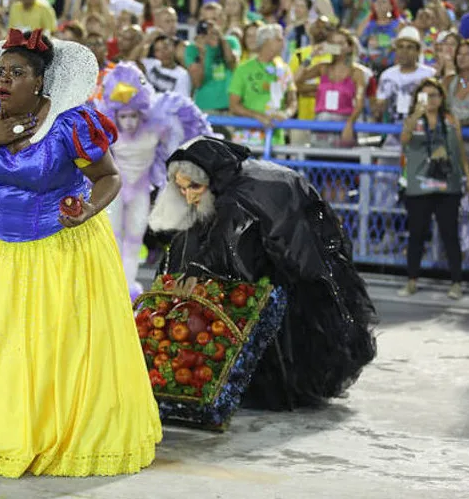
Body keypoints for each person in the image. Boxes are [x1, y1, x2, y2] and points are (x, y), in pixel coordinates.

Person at [0, 28, 162, 477]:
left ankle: (55, 429)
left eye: (17, 72)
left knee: (56, 344)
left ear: (40, 82)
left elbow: (108, 177)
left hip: (61, 248)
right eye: (1, 72)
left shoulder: (71, 124)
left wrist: (88, 209)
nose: (4, 80)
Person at [148, 136, 377, 410]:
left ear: (214, 179)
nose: (188, 195)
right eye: (181, 188)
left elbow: (227, 234)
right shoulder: (216, 195)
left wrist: (201, 266)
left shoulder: (239, 198)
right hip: (252, 253)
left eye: (194, 186)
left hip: (277, 258)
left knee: (269, 315)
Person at [95, 61, 211, 300]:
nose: (128, 121)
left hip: (140, 189)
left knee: (135, 239)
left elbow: (184, 137)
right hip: (114, 189)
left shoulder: (157, 127)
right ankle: (109, 286)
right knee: (113, 237)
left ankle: (126, 287)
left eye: (133, 115)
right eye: (123, 116)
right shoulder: (106, 130)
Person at [398, 78, 469, 300]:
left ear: (442, 99)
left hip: (448, 185)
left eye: (434, 95)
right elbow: (404, 139)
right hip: (418, 186)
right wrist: (415, 113)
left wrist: (468, 177)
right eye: (425, 95)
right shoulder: (413, 120)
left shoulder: (451, 120)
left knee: (450, 234)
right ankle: (412, 281)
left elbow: (459, 150)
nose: (430, 100)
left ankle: (456, 283)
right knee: (417, 235)